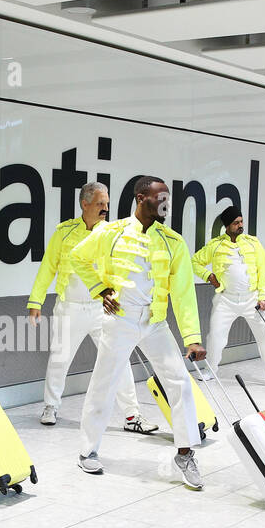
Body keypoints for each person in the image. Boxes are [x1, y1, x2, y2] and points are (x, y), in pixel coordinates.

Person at [69, 176, 208, 489]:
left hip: (155, 322)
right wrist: (100, 289)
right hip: (120, 320)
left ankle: (184, 454)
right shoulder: (111, 233)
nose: (166, 205)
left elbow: (184, 293)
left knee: (179, 381)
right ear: (141, 197)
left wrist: (192, 338)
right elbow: (78, 256)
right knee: (104, 383)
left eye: (168, 200)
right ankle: (88, 450)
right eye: (160, 199)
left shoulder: (173, 242)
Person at [27, 183, 158, 434]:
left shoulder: (110, 233)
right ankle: (51, 407)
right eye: (100, 203)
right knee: (59, 359)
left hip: (103, 309)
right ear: (84, 204)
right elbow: (48, 268)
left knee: (119, 359)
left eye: (107, 203)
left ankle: (132, 415)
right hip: (70, 308)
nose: (105, 208)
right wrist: (36, 302)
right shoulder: (64, 232)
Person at [192, 206, 265, 387]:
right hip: (225, 300)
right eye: (235, 223)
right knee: (215, 336)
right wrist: (208, 276)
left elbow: (263, 272)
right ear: (227, 226)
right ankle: (211, 370)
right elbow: (194, 262)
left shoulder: (253, 243)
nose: (240, 225)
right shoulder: (215, 245)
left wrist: (263, 296)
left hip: (253, 300)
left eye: (241, 221)